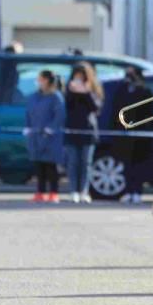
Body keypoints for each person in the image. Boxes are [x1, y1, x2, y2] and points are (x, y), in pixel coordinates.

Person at [111, 67, 153, 203]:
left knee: (138, 166)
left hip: (140, 135)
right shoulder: (121, 90)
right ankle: (128, 191)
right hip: (125, 135)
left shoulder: (145, 91)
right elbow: (115, 109)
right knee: (126, 165)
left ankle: (137, 191)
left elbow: (149, 112)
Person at [64, 62, 103, 203]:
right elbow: (67, 106)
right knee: (73, 162)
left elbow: (96, 108)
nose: (79, 78)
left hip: (88, 130)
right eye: (76, 75)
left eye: (82, 75)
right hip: (72, 129)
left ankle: (84, 191)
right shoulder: (69, 89)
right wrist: (72, 91)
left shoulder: (93, 89)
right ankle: (73, 190)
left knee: (86, 163)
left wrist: (86, 93)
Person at [25, 69, 66, 203]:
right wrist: (28, 127)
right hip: (36, 135)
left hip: (51, 137)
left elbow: (60, 115)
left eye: (40, 79)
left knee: (51, 166)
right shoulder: (34, 97)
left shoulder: (55, 97)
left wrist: (52, 128)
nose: (38, 82)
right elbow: (29, 113)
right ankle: (40, 192)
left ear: (47, 80)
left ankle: (53, 192)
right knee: (39, 165)